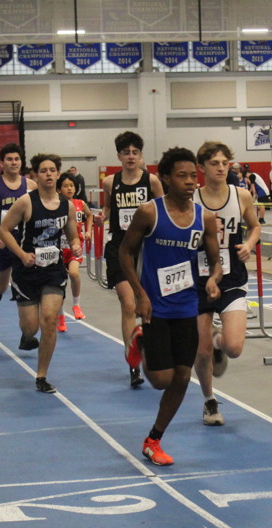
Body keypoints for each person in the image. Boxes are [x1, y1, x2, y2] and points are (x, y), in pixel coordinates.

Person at [119, 147, 222, 466]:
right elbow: (125, 252)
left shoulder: (204, 218)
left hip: (187, 306)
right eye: (182, 176)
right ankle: (140, 341)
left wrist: (213, 279)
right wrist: (140, 294)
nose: (191, 182)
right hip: (155, 307)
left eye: (193, 175)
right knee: (161, 380)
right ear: (165, 178)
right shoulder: (149, 212)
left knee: (182, 377)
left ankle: (153, 440)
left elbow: (216, 261)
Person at [191, 141, 261, 426]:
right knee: (201, 350)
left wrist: (249, 244)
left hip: (232, 278)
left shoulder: (240, 195)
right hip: (198, 279)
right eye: (214, 164)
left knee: (234, 348)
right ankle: (209, 401)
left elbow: (255, 226)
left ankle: (218, 342)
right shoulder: (192, 199)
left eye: (225, 163)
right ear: (201, 168)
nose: (221, 168)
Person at [0, 153, 81, 392]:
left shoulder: (67, 205)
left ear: (58, 174)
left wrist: (75, 244)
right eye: (43, 170)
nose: (48, 174)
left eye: (52, 170)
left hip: (53, 270)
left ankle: (41, 376)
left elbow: (73, 234)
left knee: (49, 320)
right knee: (31, 327)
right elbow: (4, 230)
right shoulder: (26, 202)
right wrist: (21, 254)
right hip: (26, 271)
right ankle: (26, 335)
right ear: (36, 175)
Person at [98, 131, 165, 388]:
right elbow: (108, 208)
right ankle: (133, 364)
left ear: (141, 155)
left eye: (135, 152)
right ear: (118, 156)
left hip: (146, 249)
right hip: (119, 248)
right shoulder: (110, 182)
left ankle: (149, 349)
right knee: (128, 304)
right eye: (126, 153)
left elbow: (162, 211)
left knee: (148, 306)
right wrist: (102, 217)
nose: (130, 157)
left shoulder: (152, 181)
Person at [0, 143, 36, 305]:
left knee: (26, 283)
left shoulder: (31, 185)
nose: (14, 162)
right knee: (2, 286)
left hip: (24, 242)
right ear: (1, 163)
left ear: (21, 162)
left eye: (17, 159)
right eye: (9, 159)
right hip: (2, 243)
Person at [56, 172, 89, 331]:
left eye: (72, 186)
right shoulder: (55, 205)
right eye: (65, 186)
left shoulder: (80, 203)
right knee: (60, 285)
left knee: (74, 274)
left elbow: (89, 215)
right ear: (59, 189)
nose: (69, 189)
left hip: (75, 248)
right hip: (58, 249)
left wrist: (88, 231)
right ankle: (61, 317)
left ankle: (76, 305)